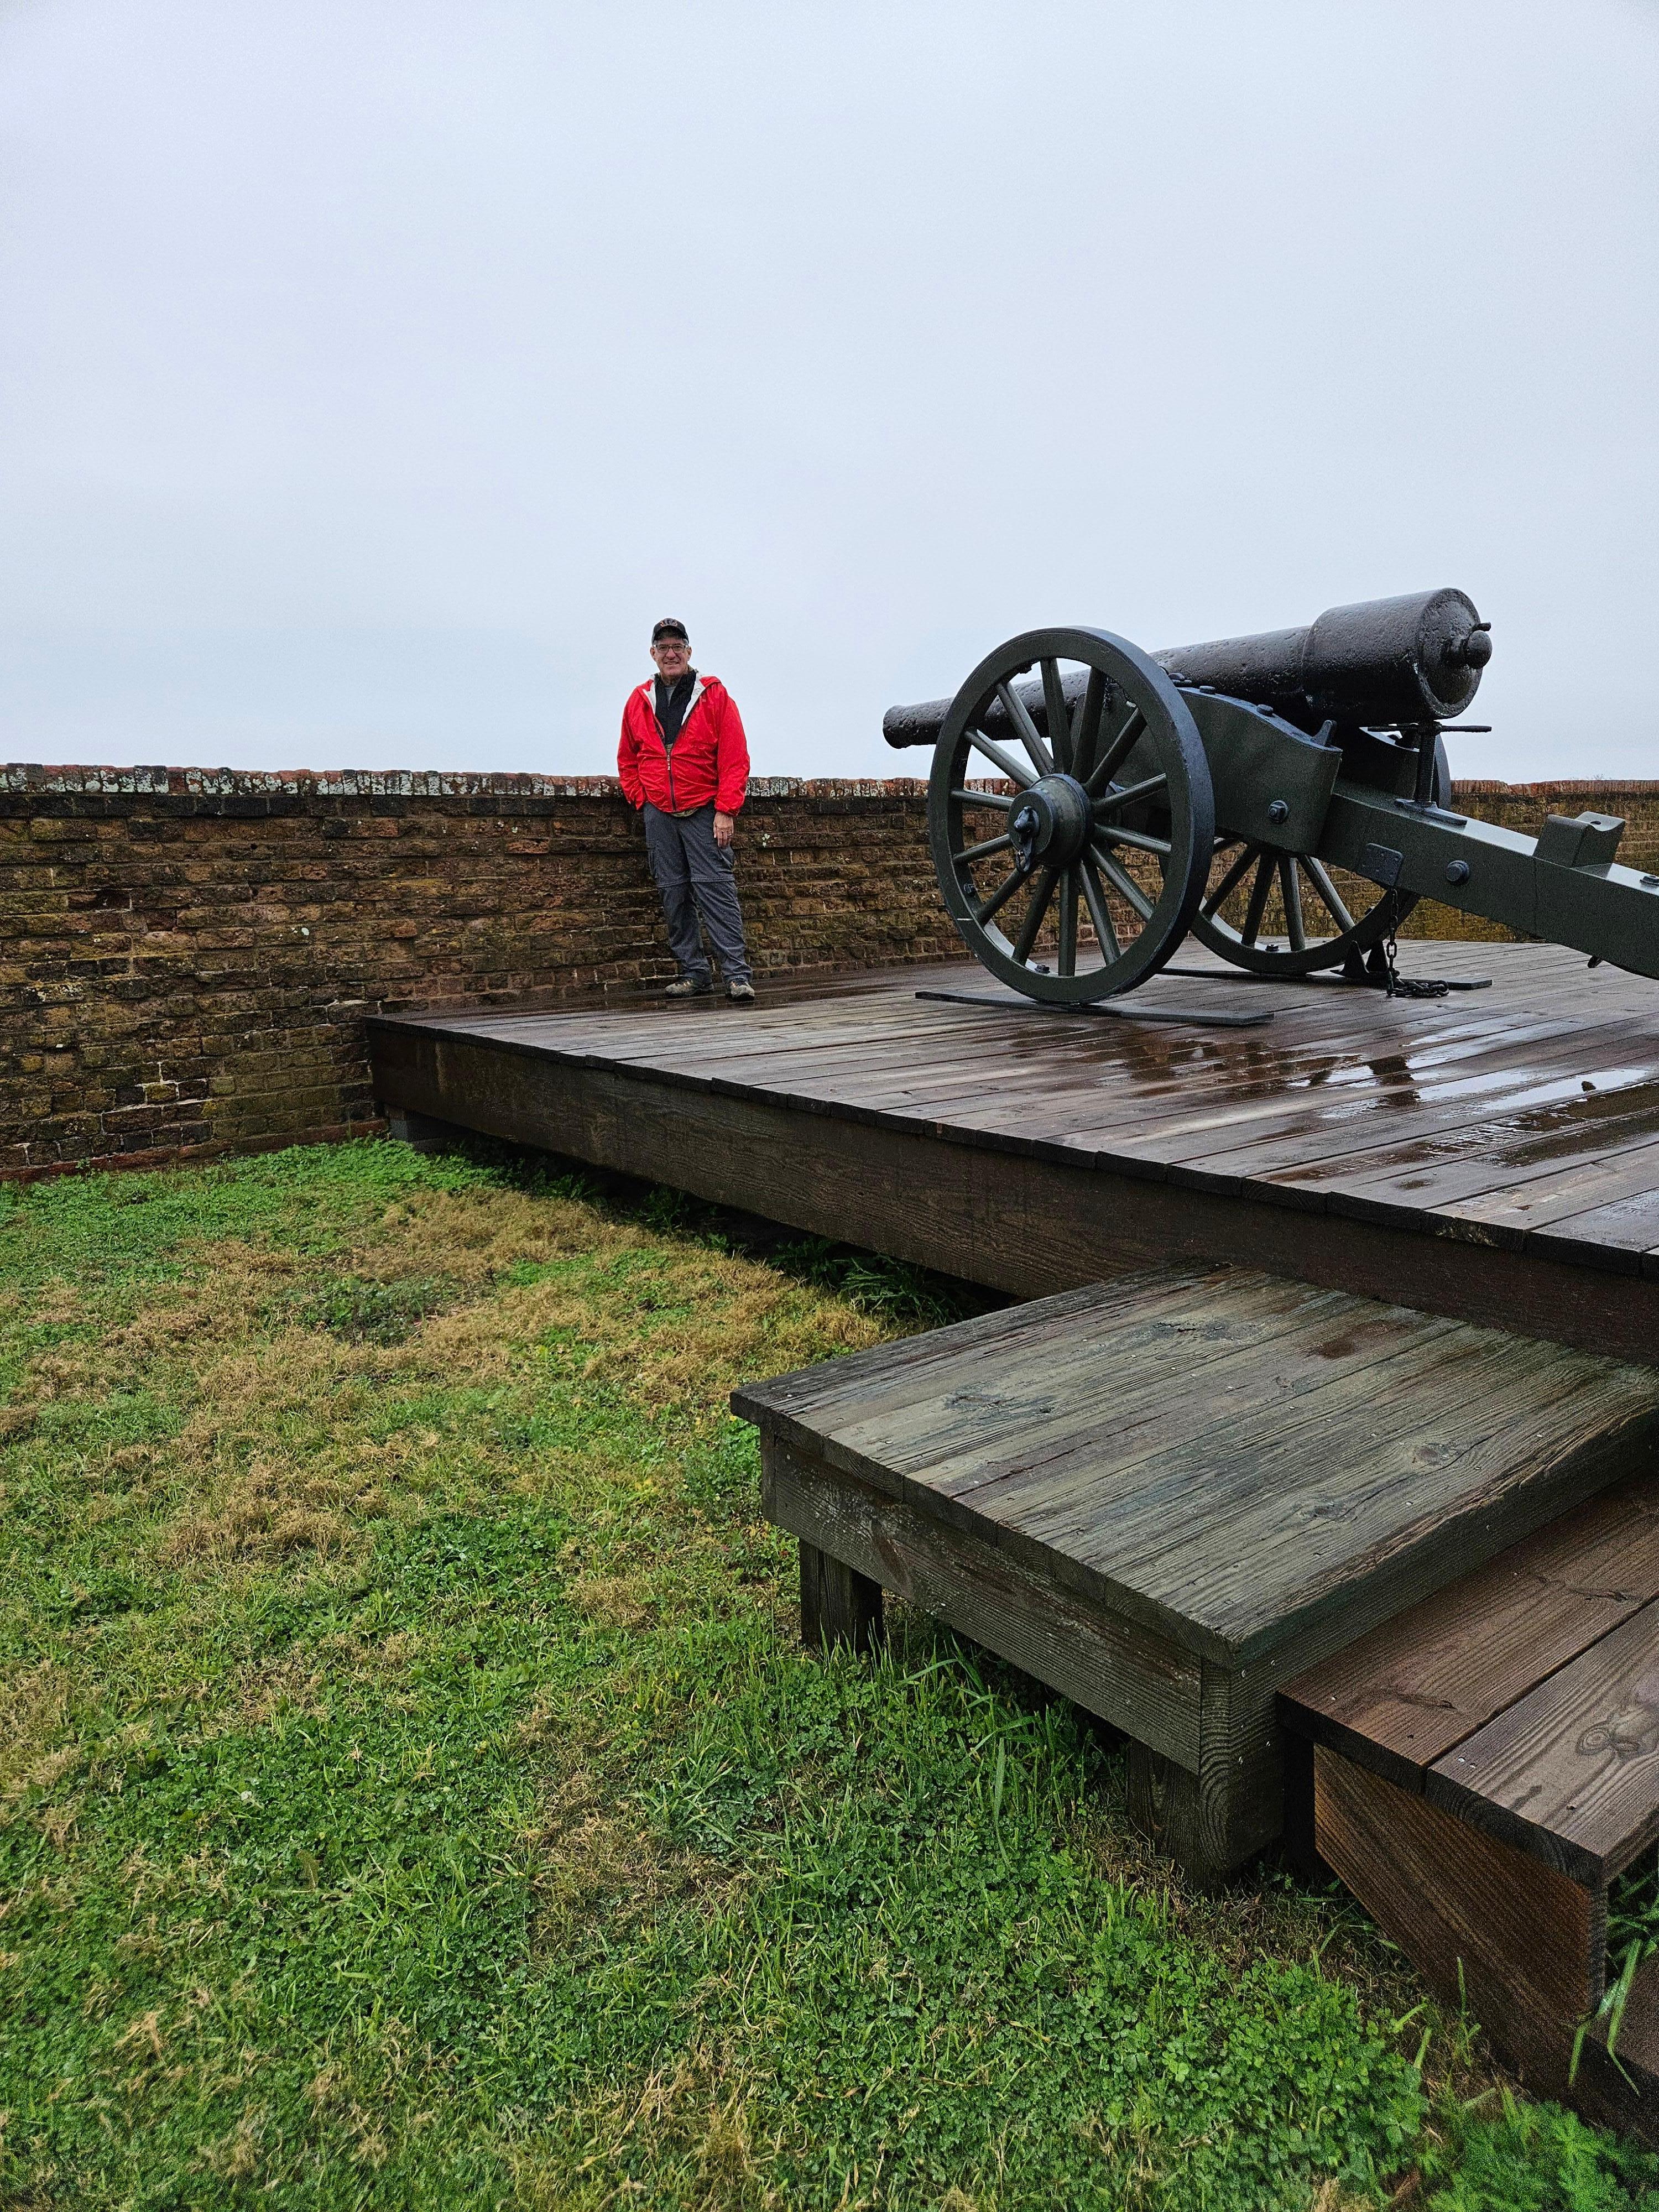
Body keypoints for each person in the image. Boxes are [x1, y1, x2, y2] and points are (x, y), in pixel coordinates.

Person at [617, 618, 755, 1001]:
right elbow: (628, 758)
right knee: (673, 893)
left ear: (690, 652)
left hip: (705, 810)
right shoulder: (638, 699)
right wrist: (639, 798)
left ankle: (736, 975)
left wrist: (726, 809)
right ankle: (694, 973)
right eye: (663, 648)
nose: (671, 653)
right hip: (659, 811)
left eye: (678, 646)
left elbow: (734, 757)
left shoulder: (714, 695)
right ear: (653, 654)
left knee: (716, 891)